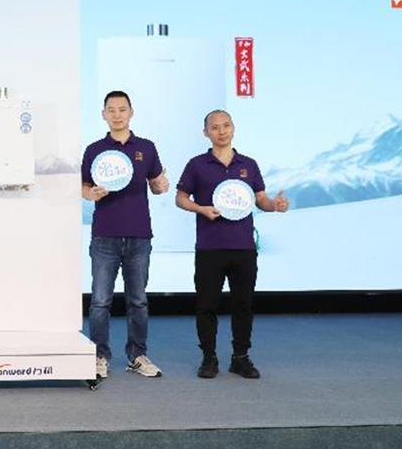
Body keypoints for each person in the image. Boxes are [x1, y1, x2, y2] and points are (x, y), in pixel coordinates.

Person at [176, 109, 288, 380]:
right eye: (215, 127)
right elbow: (180, 198)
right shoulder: (197, 165)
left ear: (233, 128)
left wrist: (274, 205)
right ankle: (209, 358)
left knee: (243, 304)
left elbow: (260, 199)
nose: (221, 131)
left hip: (244, 247)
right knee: (206, 305)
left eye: (226, 125)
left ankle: (240, 357)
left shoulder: (248, 164)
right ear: (206, 133)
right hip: (209, 248)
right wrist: (201, 209)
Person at [81, 90, 170, 380]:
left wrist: (161, 186)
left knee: (138, 301)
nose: (117, 115)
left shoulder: (146, 147)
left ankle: (137, 356)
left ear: (131, 112)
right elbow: (84, 187)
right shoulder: (95, 150)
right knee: (100, 301)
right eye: (111, 110)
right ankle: (100, 356)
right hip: (104, 236)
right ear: (103, 114)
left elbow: (156, 184)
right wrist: (90, 194)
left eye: (122, 109)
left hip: (139, 235)